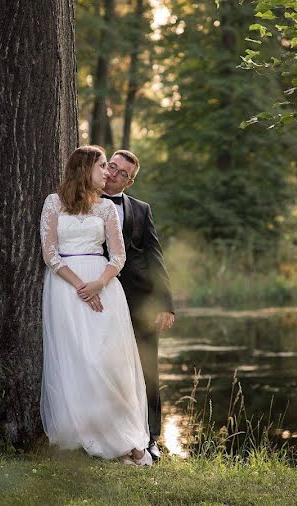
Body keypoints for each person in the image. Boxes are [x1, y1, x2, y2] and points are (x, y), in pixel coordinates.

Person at [39, 145, 152, 466]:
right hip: (65, 288)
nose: (108, 172)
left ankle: (121, 434)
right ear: (84, 168)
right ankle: (80, 432)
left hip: (104, 288)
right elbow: (50, 254)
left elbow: (119, 255)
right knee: (75, 358)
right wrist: (80, 286)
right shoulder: (53, 203)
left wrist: (99, 284)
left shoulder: (105, 209)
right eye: (103, 166)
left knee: (105, 361)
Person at [101, 149, 175, 462]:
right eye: (111, 167)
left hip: (139, 300)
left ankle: (151, 438)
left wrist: (165, 303)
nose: (112, 174)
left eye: (121, 173)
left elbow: (154, 256)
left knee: (147, 371)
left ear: (129, 182)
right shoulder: (79, 200)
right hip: (98, 298)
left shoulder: (141, 210)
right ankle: (108, 436)